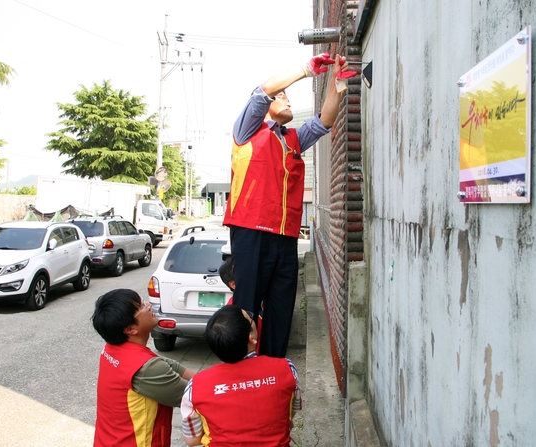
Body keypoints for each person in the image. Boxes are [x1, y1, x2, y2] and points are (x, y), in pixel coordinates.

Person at [223, 52, 355, 358]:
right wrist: (307, 70)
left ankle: (272, 369)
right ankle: (242, 370)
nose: (289, 101)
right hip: (251, 232)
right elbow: (264, 89)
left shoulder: (293, 138)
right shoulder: (247, 131)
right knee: (247, 308)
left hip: (285, 237)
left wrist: (336, 83)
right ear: (265, 108)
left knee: (282, 308)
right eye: (282, 97)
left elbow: (325, 120)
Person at [180, 305, 302, 446]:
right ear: (251, 338)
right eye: (250, 318)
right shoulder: (287, 369)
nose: (253, 319)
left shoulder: (195, 386)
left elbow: (192, 439)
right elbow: (291, 412)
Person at [91, 288, 195, 447]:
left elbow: (165, 364)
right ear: (130, 329)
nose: (148, 305)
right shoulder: (146, 368)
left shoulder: (112, 348)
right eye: (140, 307)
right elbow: (193, 397)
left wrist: (199, 377)